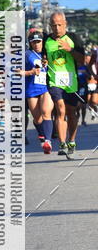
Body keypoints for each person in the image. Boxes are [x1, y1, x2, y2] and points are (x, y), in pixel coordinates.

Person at [43, 11, 85, 159]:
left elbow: (82, 60)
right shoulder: (46, 40)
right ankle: (62, 144)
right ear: (50, 26)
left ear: (65, 24)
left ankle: (71, 141)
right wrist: (44, 62)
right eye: (53, 25)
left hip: (71, 81)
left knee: (71, 113)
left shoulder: (74, 38)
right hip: (54, 81)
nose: (57, 28)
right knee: (60, 109)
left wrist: (70, 49)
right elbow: (44, 57)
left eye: (59, 25)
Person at [22, 30, 53, 153]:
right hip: (31, 89)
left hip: (45, 88)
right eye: (34, 42)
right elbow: (17, 71)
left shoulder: (47, 53)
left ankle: (47, 141)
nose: (36, 44)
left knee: (46, 112)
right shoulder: (27, 54)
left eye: (39, 42)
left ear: (42, 42)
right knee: (37, 119)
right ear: (30, 43)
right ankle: (42, 134)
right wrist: (30, 72)